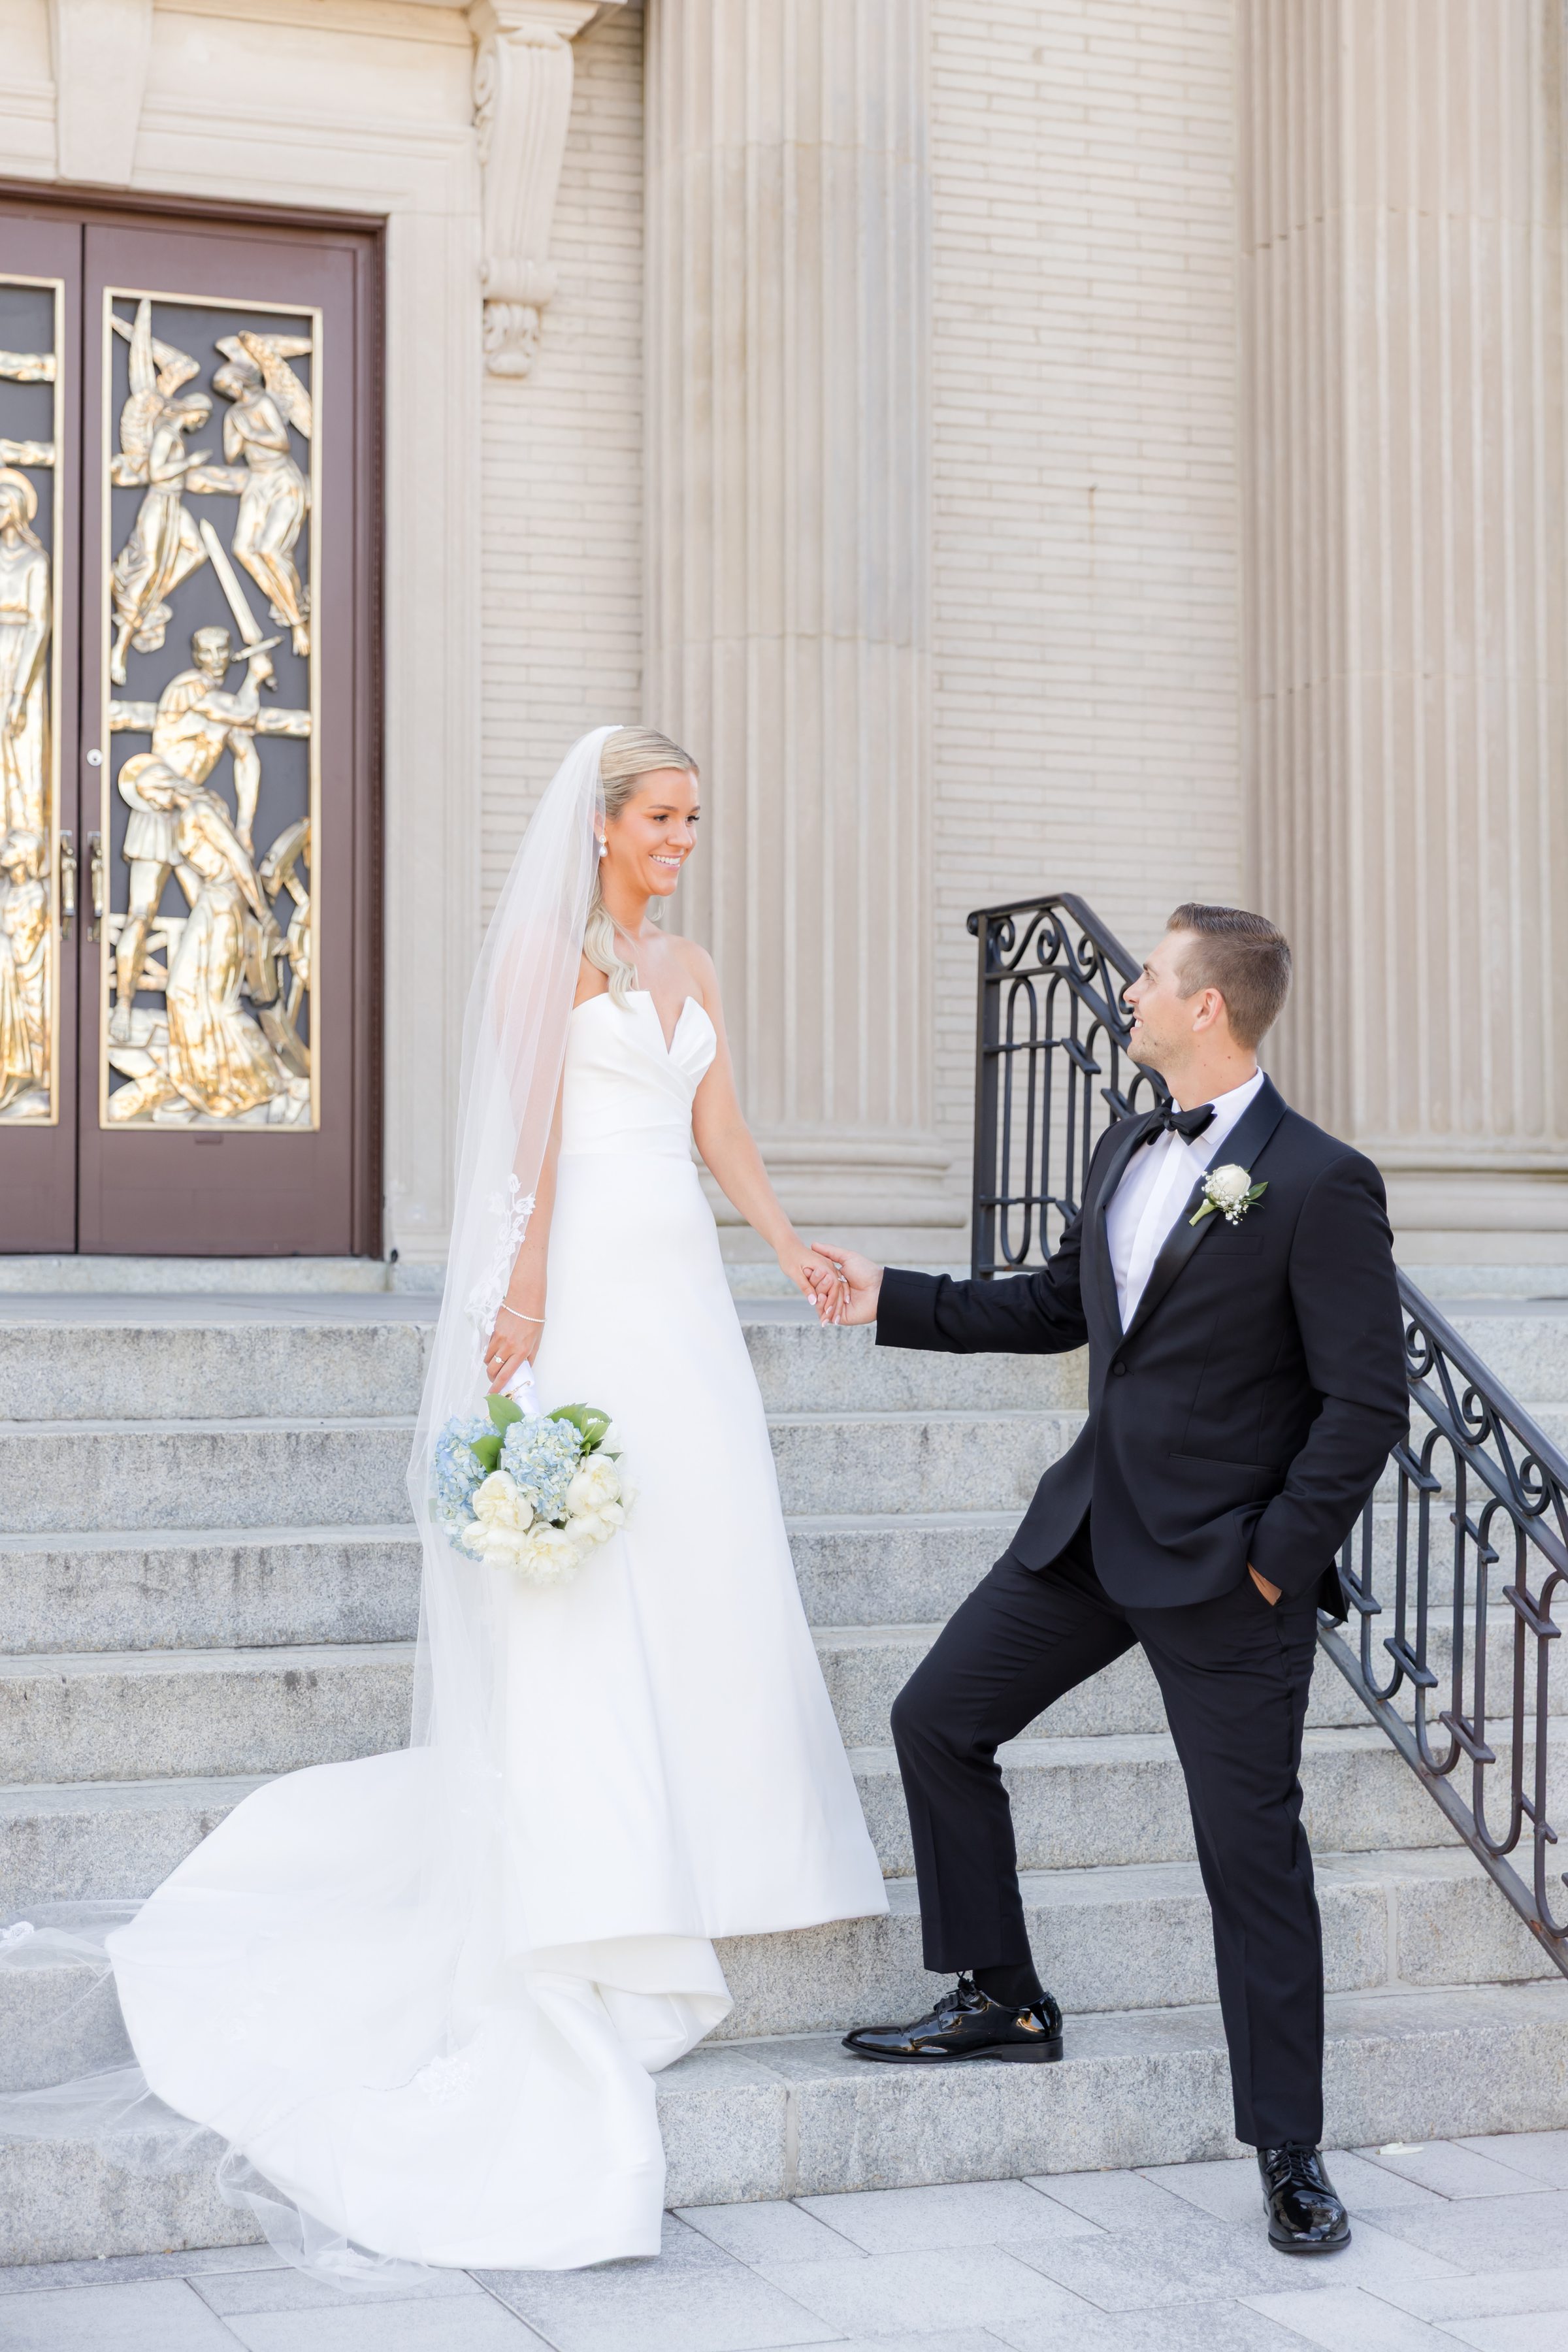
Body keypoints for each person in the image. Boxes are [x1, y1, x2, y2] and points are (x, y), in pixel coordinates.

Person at [33, 726, 883, 2273]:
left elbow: (720, 1132)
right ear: (608, 823)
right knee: (594, 1564)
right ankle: (595, 1851)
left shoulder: (687, 968)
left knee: (701, 1549)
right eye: (666, 816)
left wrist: (787, 1244)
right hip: (584, 1288)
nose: (687, 838)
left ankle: (722, 1834)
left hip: (681, 1288)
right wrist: (524, 1296)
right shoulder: (545, 964)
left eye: (699, 815)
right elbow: (529, 1139)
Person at [812, 905, 1409, 2260]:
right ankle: (1004, 1996)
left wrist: (1275, 1565)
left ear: (1208, 1007)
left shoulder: (1321, 1181)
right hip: (1089, 1536)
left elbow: (1365, 1403)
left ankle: (1290, 2153)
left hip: (1226, 1577)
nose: (1127, 991)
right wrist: (886, 1298)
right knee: (936, 1719)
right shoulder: (1130, 1142)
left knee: (1250, 1858)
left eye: (1148, 975)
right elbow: (1057, 1307)